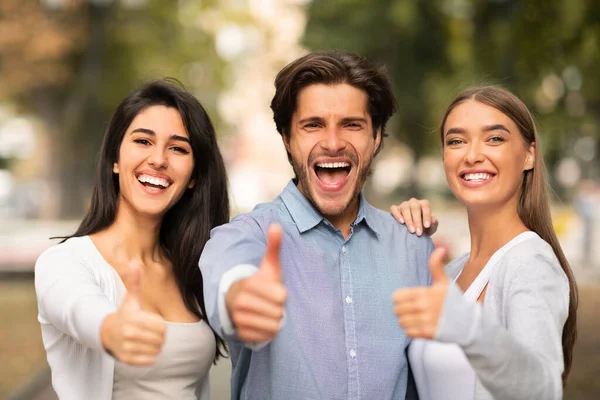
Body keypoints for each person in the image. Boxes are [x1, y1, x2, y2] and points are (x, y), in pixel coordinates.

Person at [199, 50, 434, 400]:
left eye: (352, 124)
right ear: (286, 140)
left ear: (377, 137)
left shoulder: (413, 245)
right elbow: (227, 278)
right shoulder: (246, 236)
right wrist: (242, 300)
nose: (334, 143)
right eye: (313, 125)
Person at [34, 79, 229, 400]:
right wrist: (111, 328)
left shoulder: (195, 267)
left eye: (178, 148)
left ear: (194, 176)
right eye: (143, 141)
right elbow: (78, 308)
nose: (159, 159)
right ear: (114, 158)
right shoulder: (64, 263)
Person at [391, 86, 578, 400]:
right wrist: (402, 239)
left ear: (529, 155)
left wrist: (470, 328)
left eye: (494, 138)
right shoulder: (452, 271)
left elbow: (543, 389)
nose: (472, 155)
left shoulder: (529, 263)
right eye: (456, 141)